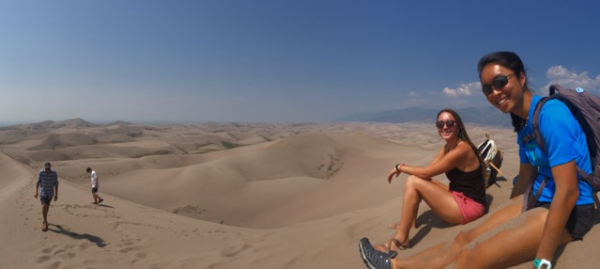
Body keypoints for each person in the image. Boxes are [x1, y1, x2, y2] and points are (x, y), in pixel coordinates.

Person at [358, 51, 595, 269]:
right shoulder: (524, 123)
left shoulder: (551, 115)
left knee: (474, 255)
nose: (495, 93)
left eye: (500, 82)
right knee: (465, 238)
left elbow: (567, 193)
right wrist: (503, 219)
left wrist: (543, 260)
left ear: (521, 78)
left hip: (569, 210)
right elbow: (525, 177)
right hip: (535, 197)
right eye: (487, 89)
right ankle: (395, 265)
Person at [375, 108, 487, 252]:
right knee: (415, 180)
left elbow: (426, 173)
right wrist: (408, 171)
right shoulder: (447, 147)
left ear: (458, 125)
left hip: (471, 207)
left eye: (450, 123)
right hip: (458, 196)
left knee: (414, 181)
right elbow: (427, 174)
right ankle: (409, 223)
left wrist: (400, 167)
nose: (445, 127)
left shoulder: (462, 149)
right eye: (440, 124)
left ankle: (401, 240)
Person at [34, 162, 59, 232]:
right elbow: (37, 182)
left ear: (50, 168)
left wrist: (56, 195)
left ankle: (45, 219)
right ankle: (45, 223)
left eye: (48, 168)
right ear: (44, 168)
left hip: (50, 193)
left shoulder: (54, 173)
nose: (47, 170)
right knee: (44, 206)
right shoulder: (41, 172)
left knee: (47, 207)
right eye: (46, 168)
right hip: (43, 193)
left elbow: (56, 184)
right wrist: (36, 192)